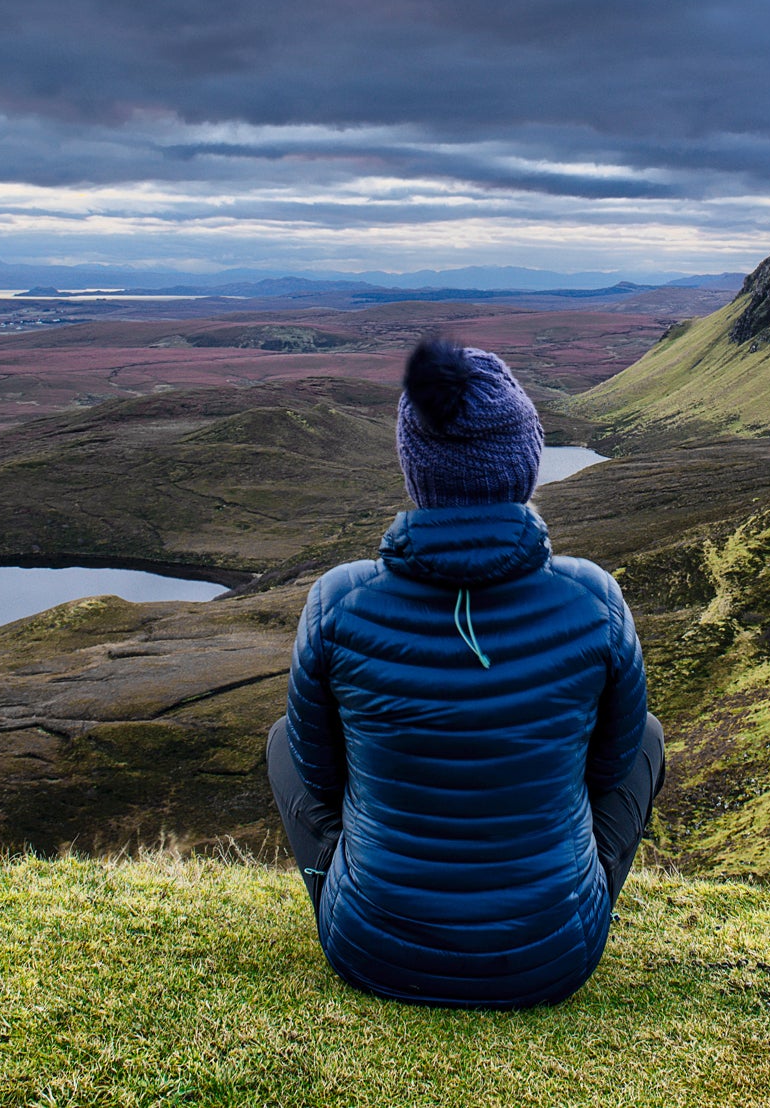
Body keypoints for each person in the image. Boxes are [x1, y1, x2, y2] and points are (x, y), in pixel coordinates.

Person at [266, 338, 664, 1009]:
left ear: (415, 470)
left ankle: (367, 892)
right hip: (554, 956)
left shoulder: (339, 600)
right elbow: (608, 769)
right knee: (645, 736)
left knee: (286, 740)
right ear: (527, 464)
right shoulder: (593, 598)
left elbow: (319, 776)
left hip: (370, 950)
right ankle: (551, 901)